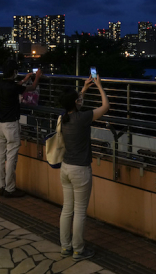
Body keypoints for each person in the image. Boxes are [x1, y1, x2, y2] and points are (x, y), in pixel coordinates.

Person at [58, 74, 110, 261]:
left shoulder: (63, 117)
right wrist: (99, 86)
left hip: (65, 168)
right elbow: (105, 107)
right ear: (75, 102)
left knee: (67, 209)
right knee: (79, 211)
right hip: (80, 170)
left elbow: (74, 105)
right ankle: (78, 249)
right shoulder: (83, 117)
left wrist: (83, 90)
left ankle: (65, 247)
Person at [0, 60, 42, 198]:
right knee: (11, 158)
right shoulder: (14, 87)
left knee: (0, 156)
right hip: (11, 125)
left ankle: (1, 185)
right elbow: (32, 88)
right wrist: (37, 76)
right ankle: (10, 189)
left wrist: (24, 79)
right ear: (14, 73)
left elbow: (16, 86)